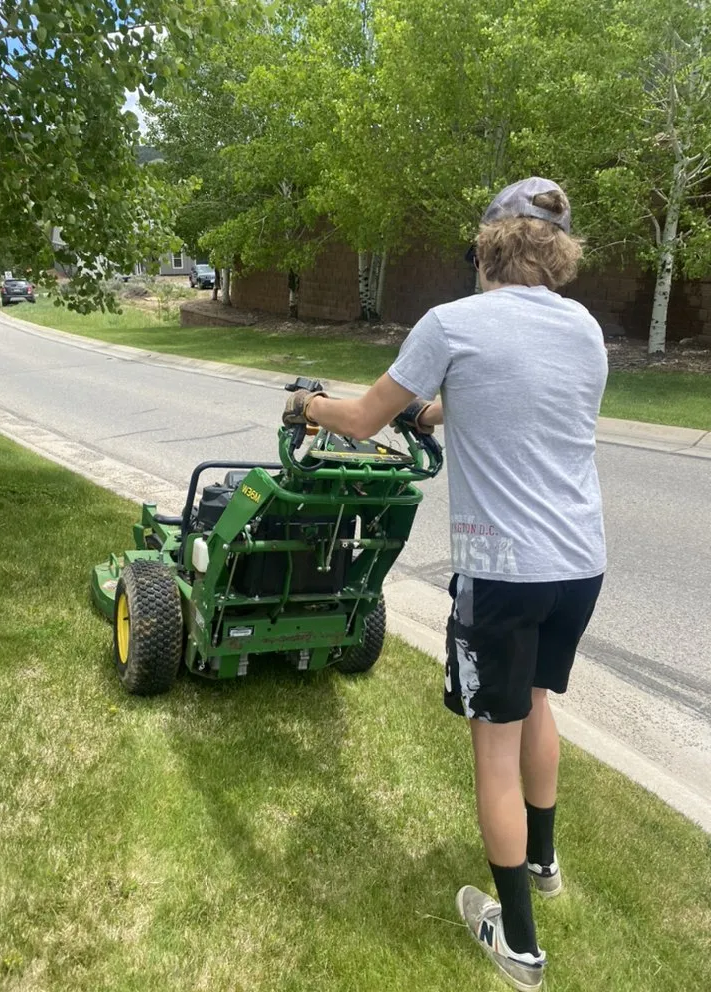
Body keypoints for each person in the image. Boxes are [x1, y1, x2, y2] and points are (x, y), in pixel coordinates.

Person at [282, 177, 607, 991]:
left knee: (492, 746)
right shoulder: (586, 330)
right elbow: (505, 409)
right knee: (537, 701)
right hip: (579, 564)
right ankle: (545, 864)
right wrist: (424, 415)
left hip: (502, 573)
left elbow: (356, 418)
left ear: (489, 245)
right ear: (556, 249)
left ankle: (520, 947)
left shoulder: (453, 323)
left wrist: (309, 403)